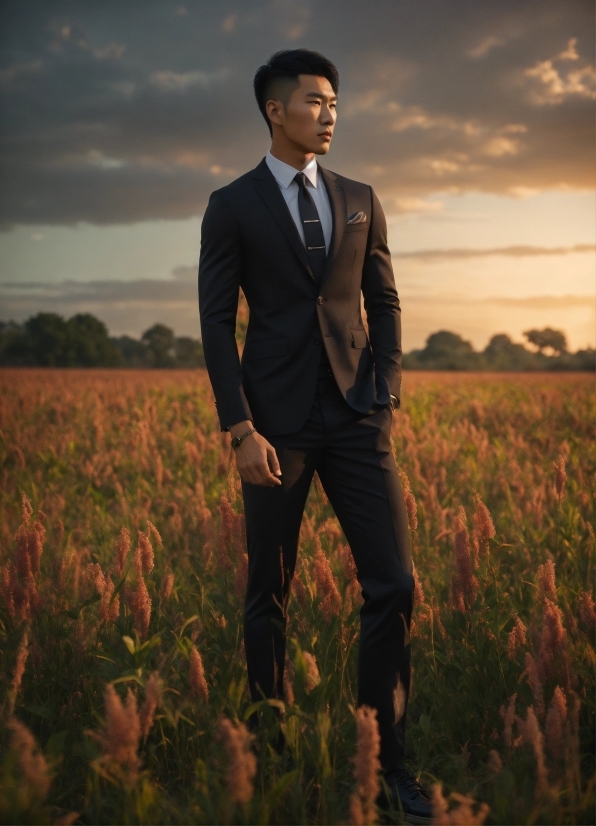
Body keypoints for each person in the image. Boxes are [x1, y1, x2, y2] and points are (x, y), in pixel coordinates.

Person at [198, 48, 432, 823]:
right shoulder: (230, 204)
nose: (329, 114)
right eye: (314, 102)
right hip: (275, 425)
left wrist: (386, 392)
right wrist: (240, 428)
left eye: (335, 102)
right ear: (275, 110)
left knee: (394, 583)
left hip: (358, 419)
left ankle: (386, 764)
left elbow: (385, 299)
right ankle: (273, 754)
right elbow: (215, 321)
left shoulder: (360, 197)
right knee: (270, 592)